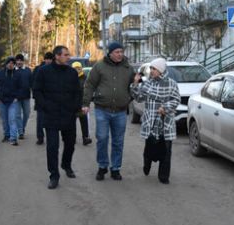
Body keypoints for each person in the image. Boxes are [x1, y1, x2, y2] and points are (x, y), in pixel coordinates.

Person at [82, 42, 134, 181]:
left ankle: (115, 168)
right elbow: (89, 85)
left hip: (120, 111)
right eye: (117, 52)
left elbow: (134, 85)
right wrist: (85, 103)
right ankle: (102, 166)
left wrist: (131, 95)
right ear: (110, 53)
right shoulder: (99, 66)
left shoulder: (128, 68)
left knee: (118, 141)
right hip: (102, 110)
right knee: (102, 139)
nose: (120, 54)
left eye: (121, 52)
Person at [33, 46, 81, 190]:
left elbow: (78, 92)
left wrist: (75, 107)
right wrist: (45, 106)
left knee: (70, 144)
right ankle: (54, 175)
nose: (69, 57)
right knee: (52, 147)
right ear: (57, 56)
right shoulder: (43, 72)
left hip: (68, 115)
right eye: (66, 55)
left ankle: (66, 164)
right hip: (51, 115)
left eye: (68, 54)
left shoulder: (72, 73)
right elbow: (36, 91)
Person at [131, 58, 180, 184]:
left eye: (154, 69)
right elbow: (138, 97)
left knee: (166, 150)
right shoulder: (148, 83)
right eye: (151, 68)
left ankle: (163, 176)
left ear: (161, 70)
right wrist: (135, 84)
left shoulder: (171, 83)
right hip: (150, 121)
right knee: (150, 147)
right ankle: (147, 163)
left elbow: (176, 100)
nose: (151, 71)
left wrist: (166, 107)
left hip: (165, 122)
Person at [0, 56, 21, 146]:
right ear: (6, 64)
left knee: (12, 119)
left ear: (14, 64)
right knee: (5, 120)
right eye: (9, 63)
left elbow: (21, 87)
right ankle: (7, 135)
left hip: (13, 101)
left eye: (12, 63)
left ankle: (13, 138)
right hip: (2, 101)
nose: (11, 65)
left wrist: (17, 97)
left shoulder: (17, 74)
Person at [32, 51, 54, 145]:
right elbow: (33, 83)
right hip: (40, 98)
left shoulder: (55, 69)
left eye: (50, 59)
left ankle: (51, 137)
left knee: (52, 120)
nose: (48, 61)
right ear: (44, 59)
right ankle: (40, 137)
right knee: (40, 120)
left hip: (52, 99)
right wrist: (36, 96)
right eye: (47, 59)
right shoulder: (38, 69)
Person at [72, 61, 93, 146]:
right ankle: (72, 138)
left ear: (81, 69)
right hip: (71, 105)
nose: (77, 70)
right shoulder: (69, 78)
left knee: (84, 122)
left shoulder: (85, 78)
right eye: (75, 68)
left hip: (82, 104)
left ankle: (85, 138)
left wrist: (86, 103)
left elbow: (88, 91)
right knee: (71, 123)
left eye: (79, 68)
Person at [14, 53, 32, 139]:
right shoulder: (13, 70)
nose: (19, 62)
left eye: (21, 60)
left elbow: (32, 83)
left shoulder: (28, 70)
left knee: (27, 113)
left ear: (23, 61)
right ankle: (20, 132)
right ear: (16, 61)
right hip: (16, 98)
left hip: (26, 96)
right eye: (18, 60)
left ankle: (22, 128)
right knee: (17, 115)